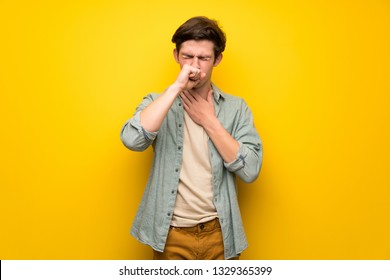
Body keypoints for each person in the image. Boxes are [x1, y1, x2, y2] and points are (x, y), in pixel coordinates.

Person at [120, 16, 262, 260]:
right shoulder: (157, 102)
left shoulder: (236, 109)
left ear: (217, 59)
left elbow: (250, 170)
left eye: (204, 58)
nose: (194, 66)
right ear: (176, 56)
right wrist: (175, 88)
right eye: (187, 57)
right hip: (169, 234)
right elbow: (132, 140)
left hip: (220, 233)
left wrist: (209, 120)